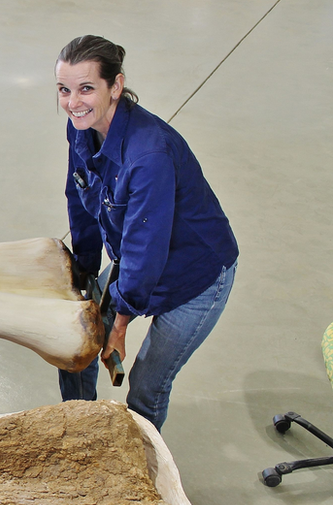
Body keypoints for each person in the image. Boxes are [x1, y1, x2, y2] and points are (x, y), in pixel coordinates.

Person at [54, 35, 239, 431]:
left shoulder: (148, 155)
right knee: (75, 342)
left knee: (146, 386)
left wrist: (118, 324)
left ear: (116, 86)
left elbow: (144, 246)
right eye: (64, 90)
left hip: (195, 276)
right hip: (140, 260)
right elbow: (79, 198)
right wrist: (82, 277)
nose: (73, 102)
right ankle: (79, 431)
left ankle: (140, 472)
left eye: (87, 88)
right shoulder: (81, 128)